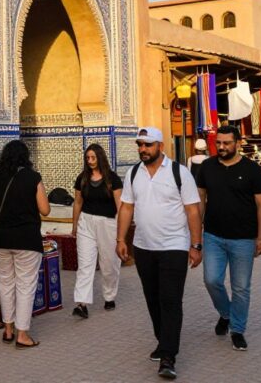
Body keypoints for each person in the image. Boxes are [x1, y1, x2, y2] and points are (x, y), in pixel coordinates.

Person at [116, 127, 202, 380]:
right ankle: (163, 341)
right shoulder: (133, 173)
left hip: (174, 246)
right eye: (140, 145)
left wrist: (196, 245)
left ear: (160, 146)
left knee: (170, 300)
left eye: (148, 145)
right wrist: (121, 239)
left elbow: (193, 211)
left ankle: (168, 356)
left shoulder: (179, 172)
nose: (143, 149)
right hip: (143, 247)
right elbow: (126, 208)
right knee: (152, 298)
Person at [195, 125, 261, 351]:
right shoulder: (207, 166)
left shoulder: (252, 169)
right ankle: (226, 313)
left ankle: (237, 330)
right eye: (218, 143)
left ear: (238, 143)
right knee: (211, 280)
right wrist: (196, 236)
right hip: (213, 236)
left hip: (244, 239)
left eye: (226, 143)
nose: (221, 147)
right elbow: (199, 202)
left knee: (240, 288)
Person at [0, 140, 50, 348]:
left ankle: (8, 329)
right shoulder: (33, 178)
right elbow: (45, 209)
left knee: (6, 283)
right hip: (27, 240)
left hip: (2, 240)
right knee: (25, 286)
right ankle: (22, 334)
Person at [70, 143, 123, 318]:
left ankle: (109, 296)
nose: (90, 161)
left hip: (108, 223)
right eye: (88, 158)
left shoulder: (112, 179)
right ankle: (81, 303)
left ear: (100, 158)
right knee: (85, 264)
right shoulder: (82, 178)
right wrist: (75, 225)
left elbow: (120, 205)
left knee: (109, 263)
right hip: (86, 222)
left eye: (93, 157)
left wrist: (122, 232)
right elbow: (78, 202)